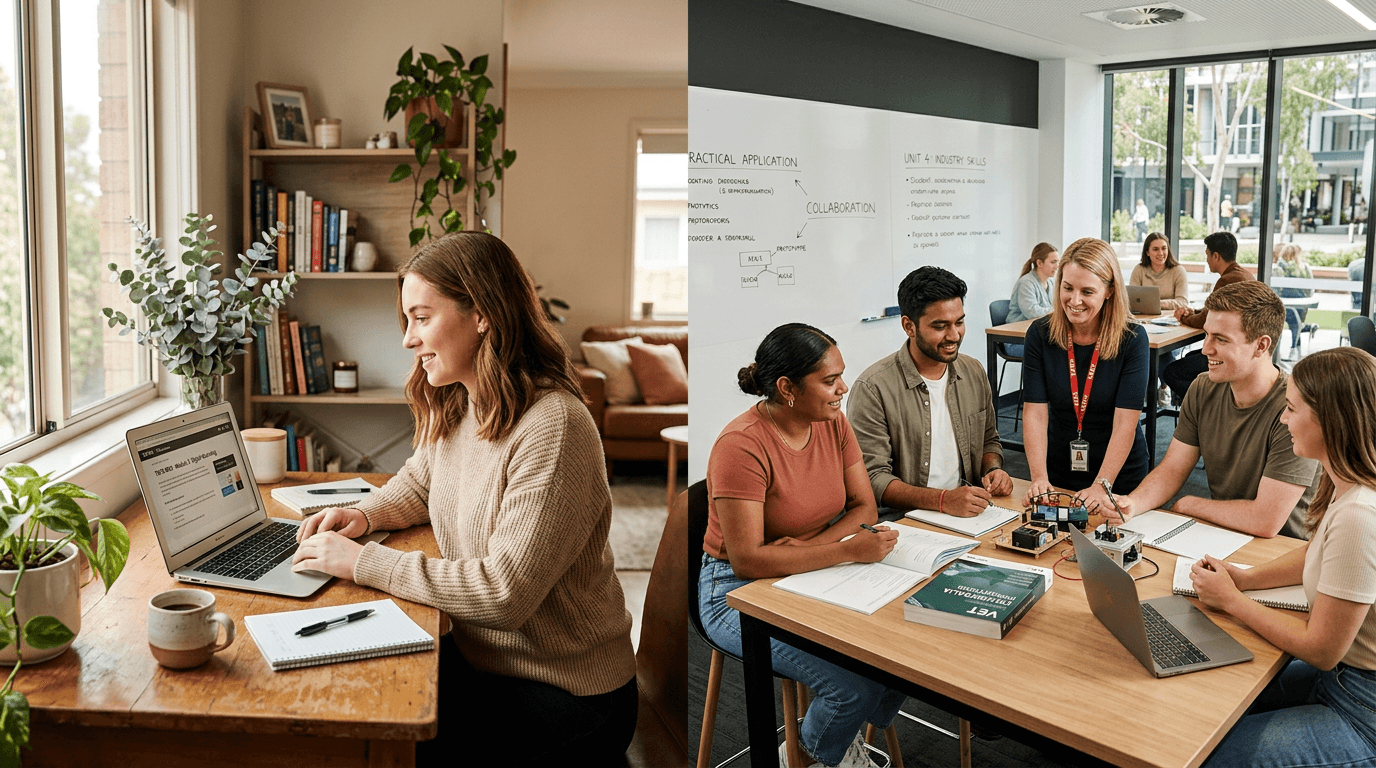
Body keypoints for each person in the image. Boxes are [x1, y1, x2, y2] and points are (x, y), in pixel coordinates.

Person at [290, 232, 638, 764]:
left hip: (569, 695)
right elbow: (420, 482)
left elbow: (504, 594)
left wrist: (365, 562)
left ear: (481, 314)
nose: (408, 339)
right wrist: (362, 515)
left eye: (422, 317)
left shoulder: (554, 426)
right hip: (489, 663)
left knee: (381, 734)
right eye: (407, 319)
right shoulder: (465, 398)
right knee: (349, 686)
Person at [702, 323, 905, 768]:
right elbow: (748, 558)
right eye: (830, 381)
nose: (843, 388)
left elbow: (864, 508)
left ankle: (834, 738)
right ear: (787, 388)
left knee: (903, 654)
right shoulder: (741, 446)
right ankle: (804, 756)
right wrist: (845, 550)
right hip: (733, 591)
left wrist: (817, 545)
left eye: (841, 376)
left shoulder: (833, 423)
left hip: (810, 563)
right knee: (853, 686)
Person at [1192, 347, 1376, 767]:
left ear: (1331, 420)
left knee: (1210, 757)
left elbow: (1322, 649)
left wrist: (1232, 602)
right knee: (1208, 704)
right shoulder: (1348, 483)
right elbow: (1319, 552)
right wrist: (1244, 578)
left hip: (1362, 707)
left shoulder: (1361, 515)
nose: (1283, 418)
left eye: (1291, 408)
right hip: (1343, 680)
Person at [1099, 282, 1321, 538]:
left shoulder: (1296, 408)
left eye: (1221, 339)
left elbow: (1266, 520)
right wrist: (1133, 504)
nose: (1205, 349)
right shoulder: (1203, 387)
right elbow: (1172, 469)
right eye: (1207, 334)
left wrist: (1190, 504)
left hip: (1281, 550)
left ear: (1261, 346)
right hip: (1221, 534)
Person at [848, 267, 1013, 519]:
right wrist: (942, 500)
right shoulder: (873, 388)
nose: (954, 335)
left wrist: (993, 469)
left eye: (959, 322)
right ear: (908, 326)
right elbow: (873, 478)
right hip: (905, 518)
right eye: (940, 326)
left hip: (967, 510)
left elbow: (989, 440)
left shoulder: (973, 371)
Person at [1021, 237, 1150, 511]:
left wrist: (1101, 484)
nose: (1074, 300)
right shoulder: (1040, 334)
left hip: (1117, 478)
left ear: (1109, 291)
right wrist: (1039, 478)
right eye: (1067, 288)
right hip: (1058, 472)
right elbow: (1035, 412)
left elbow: (1125, 423)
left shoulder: (1133, 339)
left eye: (1087, 292)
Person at [1162, 231, 1252, 402]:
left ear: (1216, 256)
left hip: (1227, 353)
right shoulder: (1244, 275)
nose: (1206, 259)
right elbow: (1212, 313)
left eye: (1207, 255)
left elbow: (1205, 321)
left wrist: (1183, 318)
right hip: (1240, 350)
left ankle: (1203, 405)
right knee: (1189, 358)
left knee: (1170, 372)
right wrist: (1192, 312)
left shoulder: (1227, 281)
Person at [1273, 243, 1315, 360]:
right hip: (1300, 301)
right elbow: (1310, 285)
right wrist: (1307, 297)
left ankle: (1291, 351)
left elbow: (1276, 288)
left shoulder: (1278, 267)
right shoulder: (1303, 267)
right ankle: (1295, 350)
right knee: (1296, 325)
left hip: (1285, 302)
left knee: (1293, 324)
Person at [1129, 232, 1189, 311]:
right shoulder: (1139, 270)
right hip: (1144, 318)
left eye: (1164, 248)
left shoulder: (1178, 270)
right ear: (1147, 252)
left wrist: (1156, 304)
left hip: (1171, 319)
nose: (1160, 253)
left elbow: (1183, 302)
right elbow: (1132, 301)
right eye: (1155, 249)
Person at [1006, 242, 1059, 323]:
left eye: (1057, 262)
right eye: (1053, 262)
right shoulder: (1026, 283)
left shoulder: (1051, 283)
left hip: (1038, 326)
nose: (1057, 266)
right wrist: (1057, 311)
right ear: (1039, 263)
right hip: (1018, 327)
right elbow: (1032, 313)